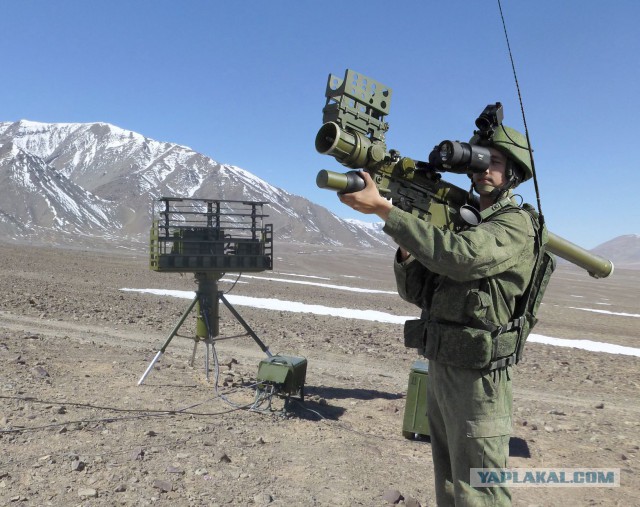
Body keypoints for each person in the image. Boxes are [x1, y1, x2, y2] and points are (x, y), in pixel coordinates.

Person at [338, 124, 541, 506]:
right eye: (479, 161)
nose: (483, 169)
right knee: (448, 483)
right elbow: (415, 292)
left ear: (513, 173)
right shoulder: (463, 224)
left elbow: (462, 258)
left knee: (480, 490)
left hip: (481, 380)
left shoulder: (515, 224)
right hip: (444, 364)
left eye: (494, 162)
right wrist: (405, 243)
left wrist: (387, 210)